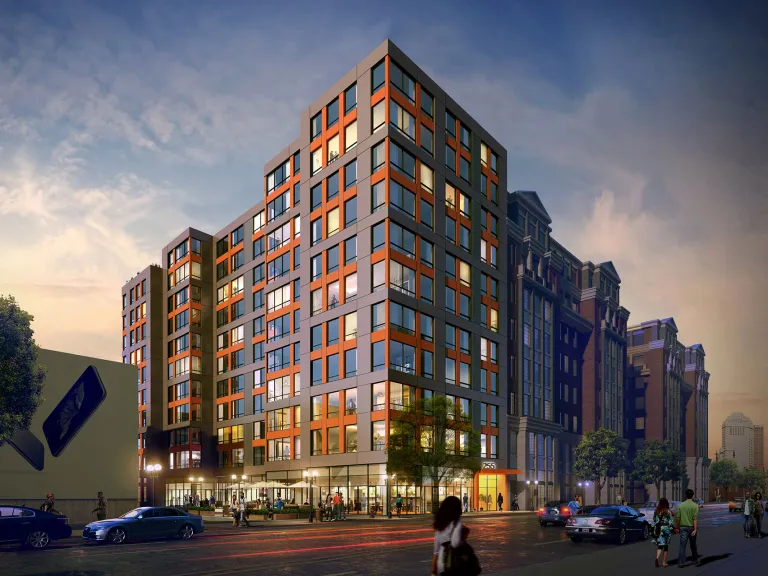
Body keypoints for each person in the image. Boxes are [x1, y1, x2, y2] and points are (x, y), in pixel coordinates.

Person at [431, 496, 468, 576]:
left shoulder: (440, 522)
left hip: (441, 562)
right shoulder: (456, 522)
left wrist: (433, 572)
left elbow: (436, 550)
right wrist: (464, 536)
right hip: (453, 563)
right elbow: (455, 543)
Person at [676, 488, 700, 568]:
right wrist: (695, 529)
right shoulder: (695, 506)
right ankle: (695, 560)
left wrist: (678, 527)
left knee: (682, 545)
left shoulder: (681, 505)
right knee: (693, 545)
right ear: (692, 496)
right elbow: (695, 519)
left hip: (683, 527)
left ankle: (681, 562)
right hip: (691, 528)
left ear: (685, 495)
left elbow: (678, 518)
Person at [651, 498, 674, 568]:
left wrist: (652, 528)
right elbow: (671, 521)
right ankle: (664, 562)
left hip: (659, 529)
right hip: (666, 529)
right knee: (666, 546)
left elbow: (654, 520)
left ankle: (657, 558)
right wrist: (672, 528)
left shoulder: (657, 511)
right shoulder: (668, 511)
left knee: (660, 545)